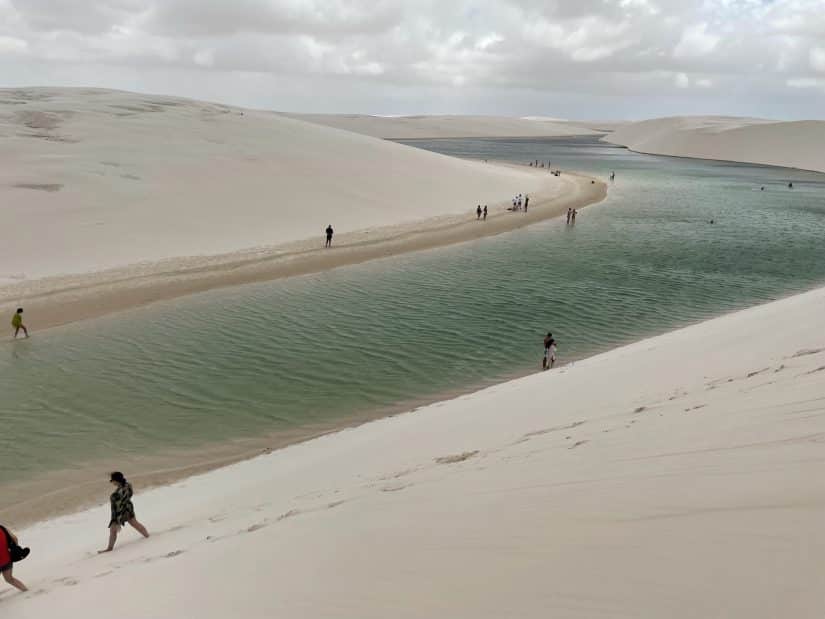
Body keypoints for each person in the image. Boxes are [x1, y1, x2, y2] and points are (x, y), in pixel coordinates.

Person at [99, 472, 150, 553]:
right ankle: (147, 536)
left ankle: (109, 548)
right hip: (128, 507)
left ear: (116, 481)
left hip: (119, 511)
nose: (112, 482)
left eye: (112, 480)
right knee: (134, 523)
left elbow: (116, 506)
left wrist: (116, 519)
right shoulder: (128, 485)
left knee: (113, 530)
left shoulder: (117, 493)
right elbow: (129, 495)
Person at [0, 525, 28, 592]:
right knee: (9, 579)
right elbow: (14, 538)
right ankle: (25, 590)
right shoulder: (2, 528)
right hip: (7, 559)